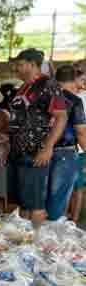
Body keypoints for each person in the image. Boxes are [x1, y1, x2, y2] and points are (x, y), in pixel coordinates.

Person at [10, 48, 69, 225]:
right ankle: (24, 242)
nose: (16, 69)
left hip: (36, 152)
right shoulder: (23, 87)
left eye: (20, 65)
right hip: (18, 151)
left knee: (36, 203)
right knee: (23, 202)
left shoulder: (48, 85)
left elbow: (61, 116)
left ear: (33, 65)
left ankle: (35, 244)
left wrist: (48, 146)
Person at [46, 65, 86, 221]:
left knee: (41, 199)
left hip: (40, 150)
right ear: (74, 80)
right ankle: (52, 240)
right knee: (58, 200)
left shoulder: (45, 96)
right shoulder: (73, 100)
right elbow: (81, 132)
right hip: (64, 152)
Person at [67, 69, 86, 222]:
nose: (83, 83)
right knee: (73, 185)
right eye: (81, 80)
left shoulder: (79, 98)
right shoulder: (76, 99)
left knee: (77, 185)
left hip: (79, 147)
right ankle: (70, 217)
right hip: (76, 147)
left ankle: (73, 218)